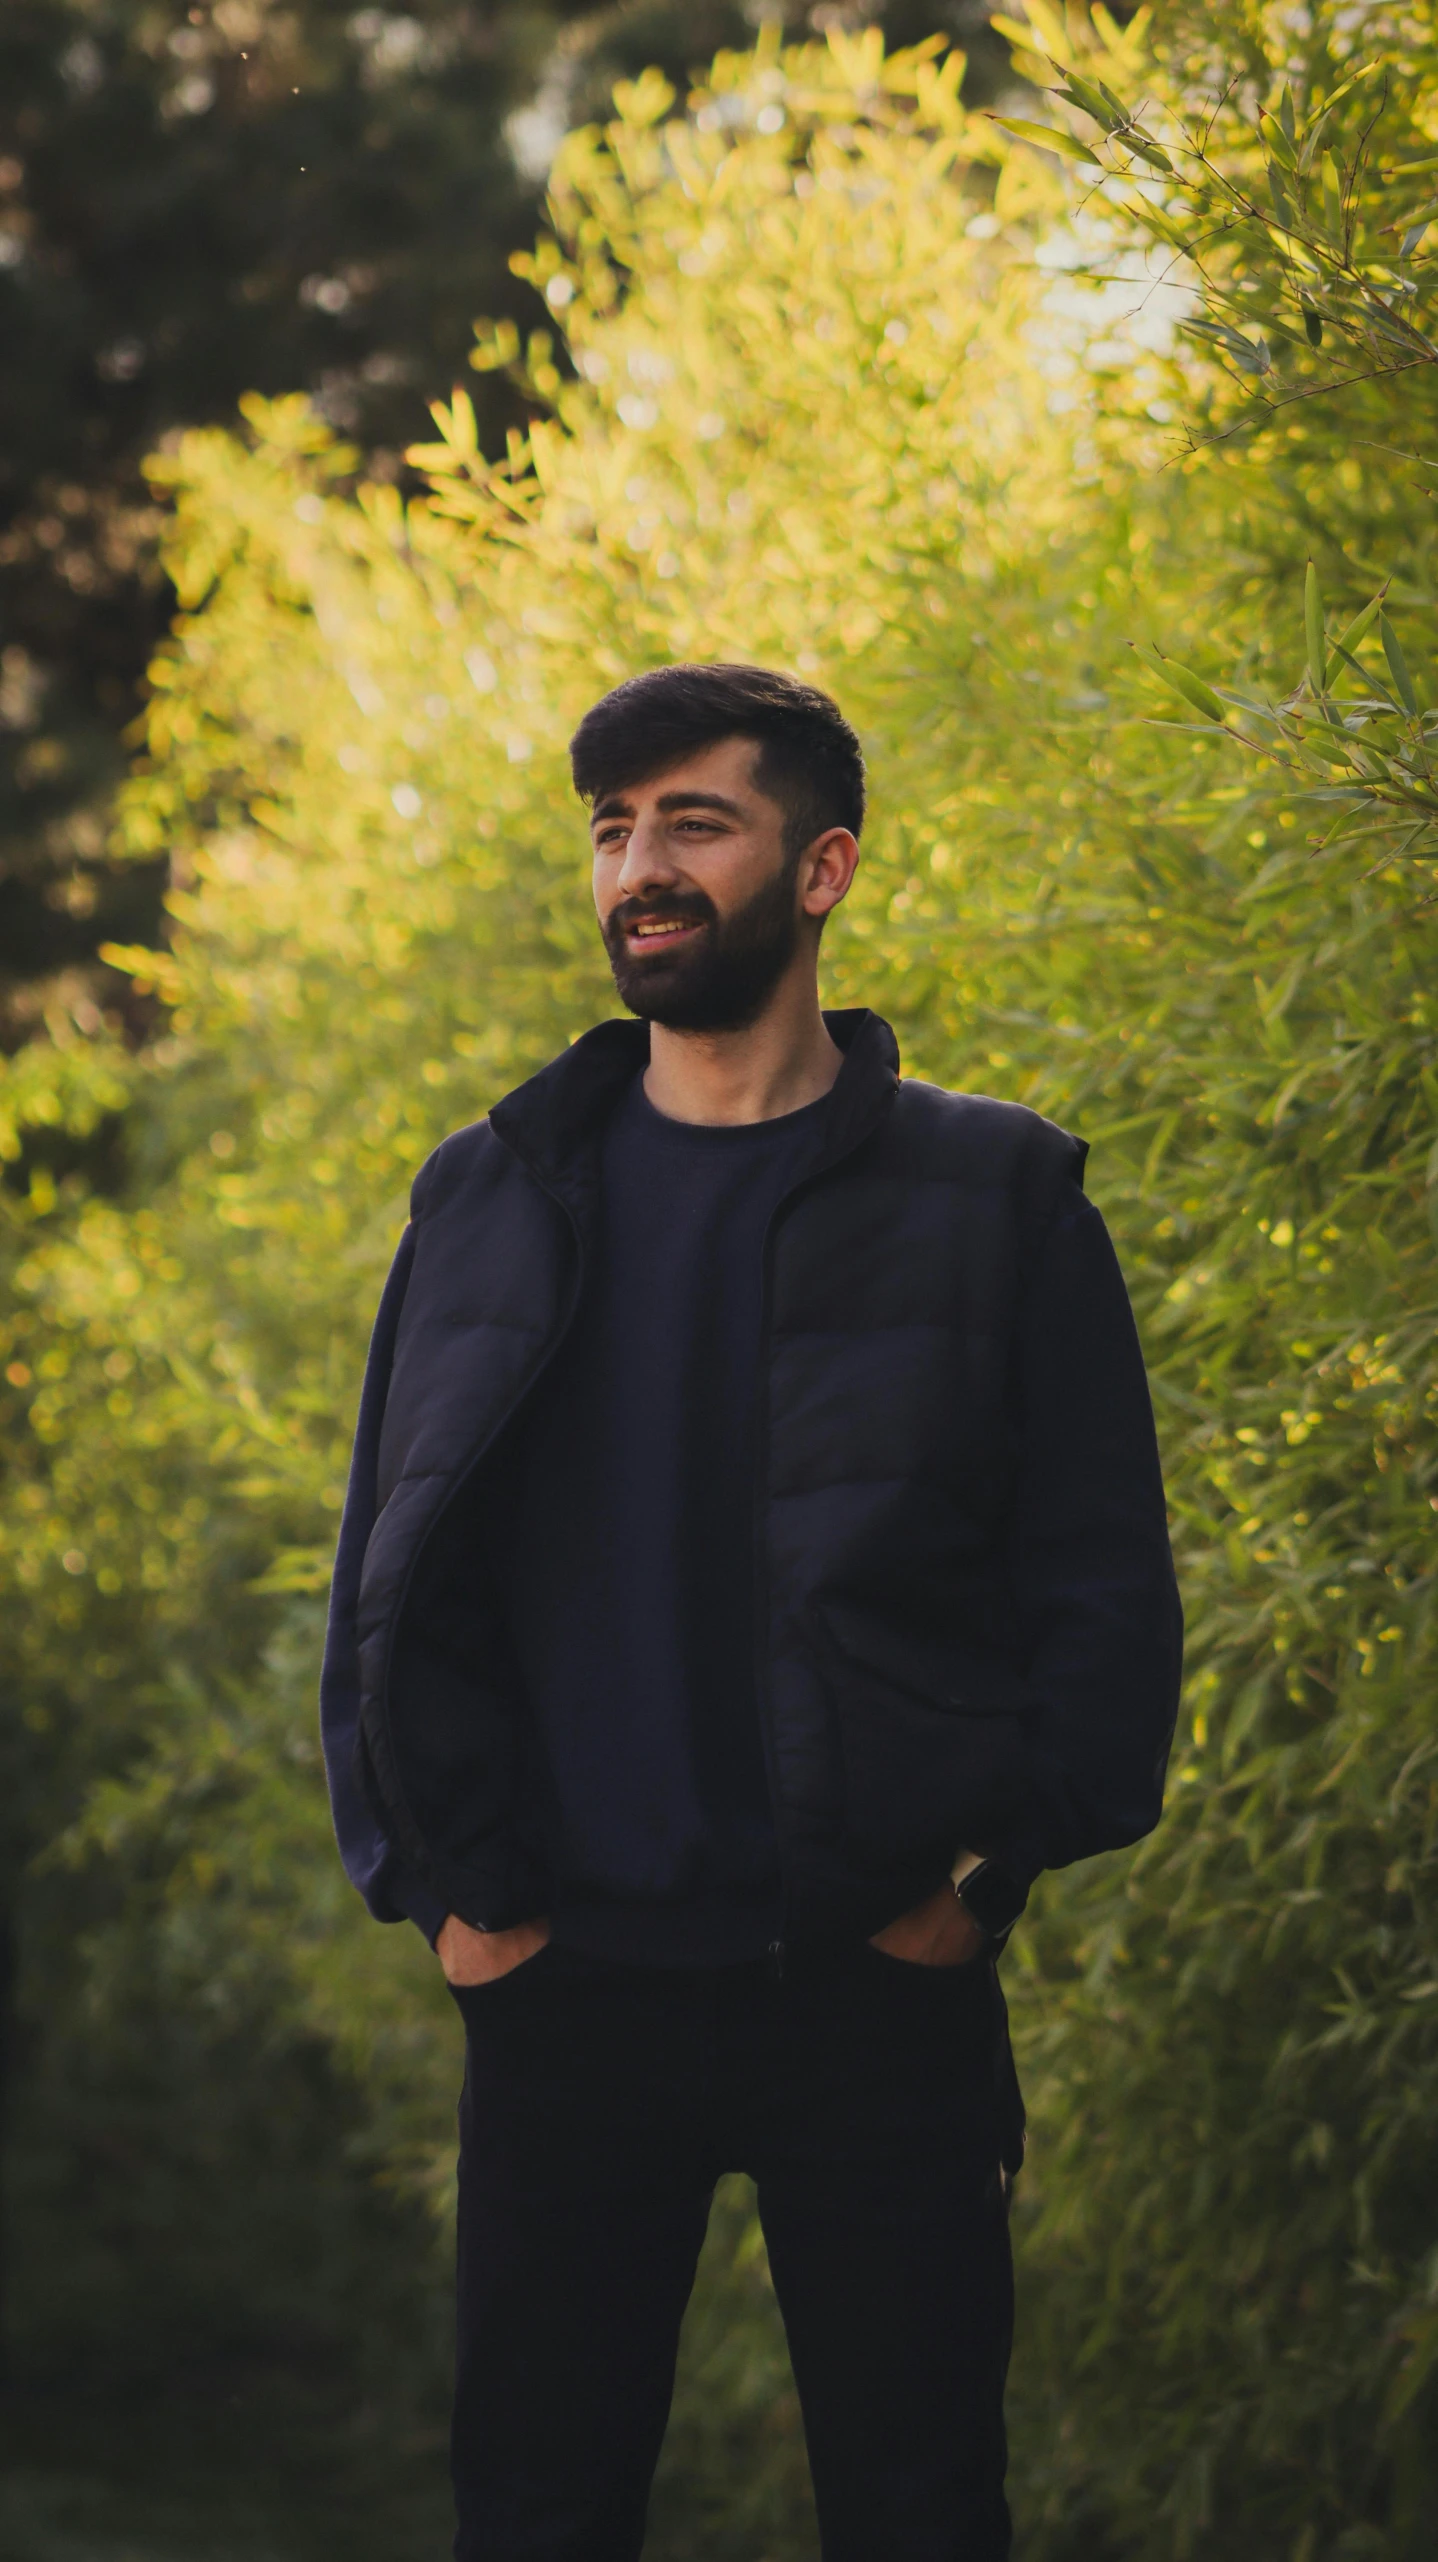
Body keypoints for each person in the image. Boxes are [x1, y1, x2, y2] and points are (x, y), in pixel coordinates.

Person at [320, 662, 1183, 2562]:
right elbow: (384, 1574)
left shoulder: (998, 1196)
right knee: (537, 2515)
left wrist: (984, 1874)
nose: (640, 866)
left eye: (692, 821)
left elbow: (1102, 1584)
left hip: (873, 1980)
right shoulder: (487, 1192)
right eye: (613, 829)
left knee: (921, 2510)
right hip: (565, 1984)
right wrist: (450, 1894)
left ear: (824, 867)